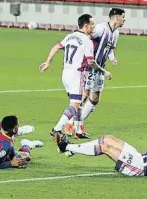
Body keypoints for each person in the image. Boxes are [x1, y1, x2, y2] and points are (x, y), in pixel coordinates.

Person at [57, 113, 147, 181]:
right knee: (108, 138)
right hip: (139, 157)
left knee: (105, 147)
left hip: (141, 168)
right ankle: (72, 148)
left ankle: (67, 146)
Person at [38, 14, 111, 142]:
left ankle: (78, 130)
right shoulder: (87, 40)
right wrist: (104, 71)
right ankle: (56, 129)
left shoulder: (70, 36)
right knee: (75, 105)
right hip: (77, 75)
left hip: (65, 74)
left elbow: (56, 47)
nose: (93, 27)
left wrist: (48, 61)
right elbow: (91, 62)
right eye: (92, 24)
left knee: (77, 103)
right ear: (86, 25)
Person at [80, 8, 126, 138]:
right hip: (90, 66)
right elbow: (86, 37)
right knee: (84, 95)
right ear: (116, 18)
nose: (124, 20)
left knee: (94, 99)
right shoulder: (100, 28)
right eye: (123, 17)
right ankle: (72, 124)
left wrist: (113, 58)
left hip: (101, 68)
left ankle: (79, 122)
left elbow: (110, 49)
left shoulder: (116, 33)